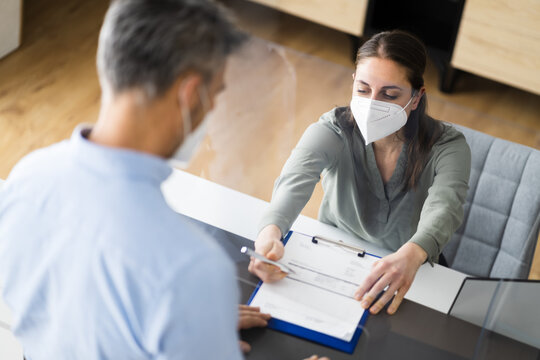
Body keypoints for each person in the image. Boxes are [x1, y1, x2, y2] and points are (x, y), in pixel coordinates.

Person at [0, 0, 277, 358]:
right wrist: (195, 315)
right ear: (190, 93)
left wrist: (192, 327)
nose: (212, 109)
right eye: (217, 93)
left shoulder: (27, 178)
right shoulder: (192, 270)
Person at [249, 30, 471, 316]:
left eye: (389, 94)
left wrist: (413, 254)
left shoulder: (448, 146)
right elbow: (294, 181)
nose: (372, 104)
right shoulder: (333, 129)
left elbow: (446, 206)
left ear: (416, 98)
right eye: (363, 90)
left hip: (410, 268)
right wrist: (269, 233)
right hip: (337, 256)